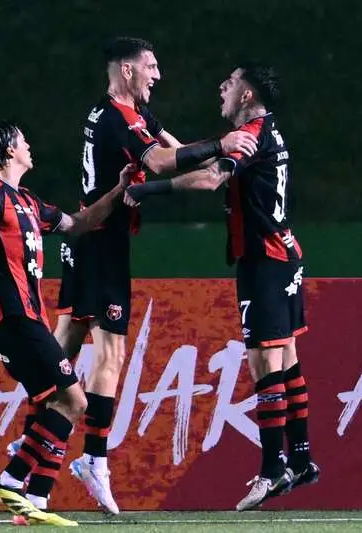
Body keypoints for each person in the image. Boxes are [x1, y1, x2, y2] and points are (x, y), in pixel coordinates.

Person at [6, 37, 258, 515]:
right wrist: (222, 145)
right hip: (103, 241)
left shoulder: (119, 114)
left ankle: (27, 450)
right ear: (126, 71)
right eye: (151, 67)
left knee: (62, 348)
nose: (158, 75)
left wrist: (225, 164)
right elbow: (161, 162)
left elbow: (179, 151)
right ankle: (94, 460)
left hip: (85, 239)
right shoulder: (119, 121)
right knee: (112, 351)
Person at [125, 64, 320, 511]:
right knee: (286, 356)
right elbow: (212, 160)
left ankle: (273, 471)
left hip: (265, 260)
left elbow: (213, 176)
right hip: (283, 252)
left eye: (230, 84)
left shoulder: (251, 133)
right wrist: (155, 129)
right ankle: (303, 459)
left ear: (247, 95)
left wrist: (149, 190)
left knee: (263, 361)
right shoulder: (265, 129)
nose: (222, 88)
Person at [0, 119, 134, 526]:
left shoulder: (26, 200)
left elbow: (77, 225)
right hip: (13, 317)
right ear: (8, 149)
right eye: (24, 140)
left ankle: (36, 503)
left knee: (52, 406)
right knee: (75, 401)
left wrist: (118, 191)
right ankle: (9, 483)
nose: (30, 145)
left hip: (31, 319)